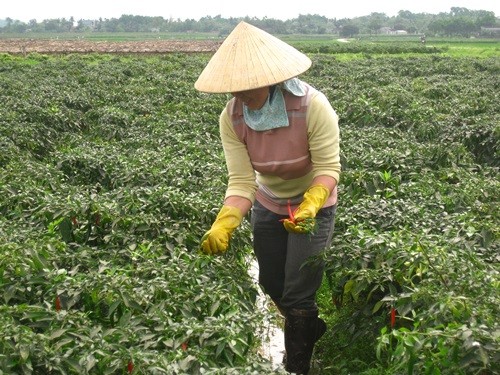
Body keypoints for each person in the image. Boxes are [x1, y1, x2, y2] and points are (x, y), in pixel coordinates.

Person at [195, 21, 341, 375]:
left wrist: (311, 203)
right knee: (270, 282)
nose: (240, 94)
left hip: (315, 205)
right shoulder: (231, 117)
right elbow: (242, 181)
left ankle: (298, 366)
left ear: (269, 77)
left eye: (247, 86)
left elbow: (328, 167)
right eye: (234, 88)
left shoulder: (311, 105)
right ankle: (307, 329)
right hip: (268, 199)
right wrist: (224, 222)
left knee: (299, 293)